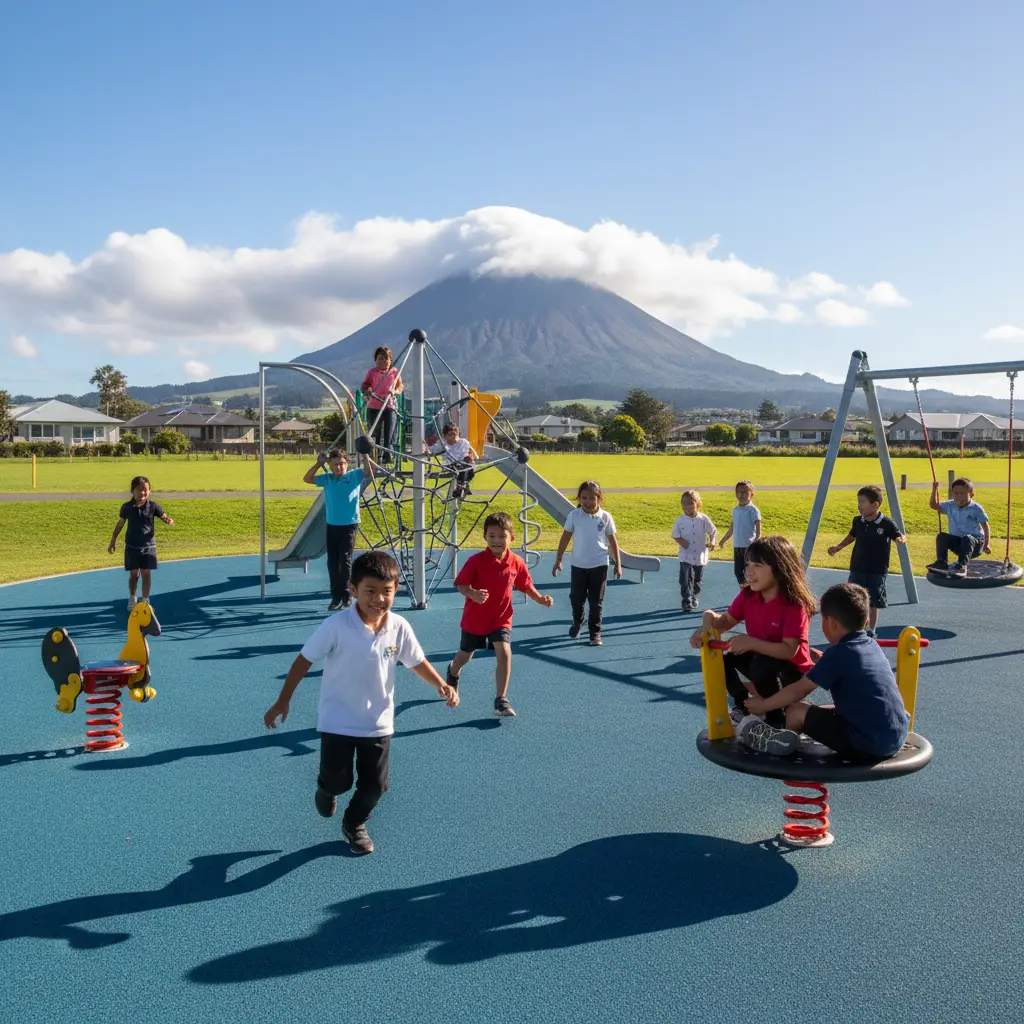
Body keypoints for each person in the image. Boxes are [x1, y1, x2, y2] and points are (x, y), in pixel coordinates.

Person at [264, 552, 458, 855]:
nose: (379, 598)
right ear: (353, 590)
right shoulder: (336, 626)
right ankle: (326, 789)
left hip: (377, 723)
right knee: (338, 782)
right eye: (370, 591)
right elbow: (303, 660)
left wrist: (441, 684)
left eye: (387, 591)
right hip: (337, 720)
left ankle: (354, 823)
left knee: (376, 787)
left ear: (396, 590)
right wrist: (283, 700)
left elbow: (416, 661)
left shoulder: (399, 626)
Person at [735, 583, 910, 760]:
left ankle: (779, 740)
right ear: (866, 622)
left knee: (796, 711)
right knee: (826, 709)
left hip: (867, 744)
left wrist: (764, 705)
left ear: (831, 622)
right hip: (895, 735)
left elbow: (799, 689)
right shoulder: (871, 645)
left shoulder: (838, 654)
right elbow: (844, 667)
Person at [689, 535, 817, 728]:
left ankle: (777, 721)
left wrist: (750, 642)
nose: (748, 571)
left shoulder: (793, 604)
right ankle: (743, 706)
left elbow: (789, 650)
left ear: (779, 568)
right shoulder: (749, 596)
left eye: (756, 566)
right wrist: (707, 620)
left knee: (761, 665)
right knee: (725, 659)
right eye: (747, 564)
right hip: (763, 662)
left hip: (792, 671)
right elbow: (723, 623)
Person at [445, 512, 555, 716]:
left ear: (511, 538)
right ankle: (452, 670)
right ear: (485, 537)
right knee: (464, 657)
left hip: (501, 619)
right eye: (492, 536)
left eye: (501, 536)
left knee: (504, 653)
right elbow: (461, 584)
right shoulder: (476, 561)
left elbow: (526, 585)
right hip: (475, 620)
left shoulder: (516, 562)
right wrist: (473, 593)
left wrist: (539, 598)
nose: (496, 541)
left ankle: (501, 699)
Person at [827, 484, 906, 637]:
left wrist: (901, 539)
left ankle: (871, 630)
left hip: (877, 570)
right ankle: (855, 628)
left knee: (873, 601)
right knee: (854, 599)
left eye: (862, 502)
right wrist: (839, 547)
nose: (859, 505)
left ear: (875, 505)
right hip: (857, 567)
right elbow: (852, 536)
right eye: (858, 501)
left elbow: (898, 535)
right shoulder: (858, 521)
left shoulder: (886, 523)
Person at [303, 448, 374, 612]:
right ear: (330, 465)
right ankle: (336, 596)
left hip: (349, 525)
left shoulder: (354, 475)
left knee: (345, 560)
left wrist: (365, 455)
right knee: (332, 562)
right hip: (332, 525)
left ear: (347, 464)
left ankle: (347, 594)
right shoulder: (327, 479)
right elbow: (307, 479)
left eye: (342, 464)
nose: (338, 467)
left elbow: (369, 471)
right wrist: (318, 464)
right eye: (335, 464)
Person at [552, 480, 622, 646]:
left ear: (599, 499)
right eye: (584, 498)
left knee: (596, 602)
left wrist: (618, 564)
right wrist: (558, 559)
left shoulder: (606, 517)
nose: (588, 502)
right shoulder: (574, 516)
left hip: (599, 565)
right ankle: (578, 621)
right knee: (576, 598)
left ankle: (595, 633)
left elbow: (613, 542)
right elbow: (565, 538)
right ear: (579, 498)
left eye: (592, 498)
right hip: (578, 565)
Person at [108, 476, 175, 611]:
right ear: (132, 491)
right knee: (134, 573)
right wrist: (113, 539)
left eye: (146, 490)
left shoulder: (153, 506)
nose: (143, 493)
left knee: (146, 572)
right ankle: (132, 597)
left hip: (148, 546)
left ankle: (145, 599)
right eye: (139, 490)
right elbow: (121, 523)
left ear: (149, 491)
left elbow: (164, 516)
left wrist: (169, 520)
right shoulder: (126, 507)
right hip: (132, 546)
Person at [927, 477, 991, 576]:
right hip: (958, 545)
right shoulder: (950, 505)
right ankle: (941, 562)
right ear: (952, 494)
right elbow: (933, 505)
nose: (959, 496)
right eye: (956, 493)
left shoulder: (976, 508)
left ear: (971, 494)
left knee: (968, 538)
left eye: (962, 494)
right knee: (941, 536)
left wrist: (987, 544)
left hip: (975, 545)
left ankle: (961, 566)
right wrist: (934, 489)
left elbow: (985, 527)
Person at [671, 490, 717, 612]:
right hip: (685, 555)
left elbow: (713, 531)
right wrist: (682, 542)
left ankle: (695, 595)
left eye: (691, 503)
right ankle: (686, 600)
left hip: (699, 555)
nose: (688, 506)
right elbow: (675, 535)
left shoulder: (703, 519)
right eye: (684, 504)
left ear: (698, 504)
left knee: (697, 579)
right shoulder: (680, 521)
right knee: (685, 578)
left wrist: (712, 542)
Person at [361, 346, 403, 463]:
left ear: (390, 360)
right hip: (373, 406)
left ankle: (387, 455)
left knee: (389, 432)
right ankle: (376, 456)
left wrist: (394, 392)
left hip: (389, 406)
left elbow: (400, 387)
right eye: (380, 359)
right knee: (375, 432)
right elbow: (364, 386)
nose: (383, 361)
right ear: (375, 360)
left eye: (386, 359)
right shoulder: (371, 372)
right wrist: (368, 390)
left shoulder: (394, 372)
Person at [718, 480, 762, 587]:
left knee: (750, 571)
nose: (741, 494)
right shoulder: (735, 510)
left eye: (744, 492)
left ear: (751, 494)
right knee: (738, 571)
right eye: (739, 492)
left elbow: (758, 528)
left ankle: (751, 592)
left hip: (749, 546)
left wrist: (757, 539)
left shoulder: (753, 510)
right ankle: (746, 592)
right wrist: (724, 539)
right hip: (738, 546)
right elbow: (732, 528)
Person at [425, 421, 478, 499]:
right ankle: (462, 487)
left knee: (469, 467)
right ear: (445, 436)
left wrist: (470, 457)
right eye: (450, 435)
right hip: (450, 465)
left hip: (465, 465)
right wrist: (425, 449)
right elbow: (430, 449)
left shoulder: (463, 442)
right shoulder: (443, 444)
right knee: (463, 467)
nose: (453, 437)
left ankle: (461, 487)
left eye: (455, 435)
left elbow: (473, 454)